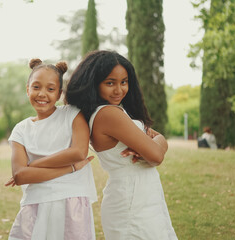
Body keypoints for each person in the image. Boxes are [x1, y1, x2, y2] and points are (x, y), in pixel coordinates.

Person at [66, 50, 178, 240]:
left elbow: (158, 144)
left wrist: (158, 142)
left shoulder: (115, 111)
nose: (119, 90)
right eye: (110, 83)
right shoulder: (108, 114)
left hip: (140, 194)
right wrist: (155, 143)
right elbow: (157, 156)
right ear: (94, 84)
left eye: (124, 82)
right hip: (131, 200)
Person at [6, 59, 97, 240]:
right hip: (35, 203)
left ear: (59, 94)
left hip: (71, 200)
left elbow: (78, 152)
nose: (42, 94)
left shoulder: (71, 114)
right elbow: (20, 176)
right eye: (36, 87)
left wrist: (34, 165)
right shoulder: (21, 129)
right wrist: (70, 168)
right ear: (27, 89)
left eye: (50, 89)